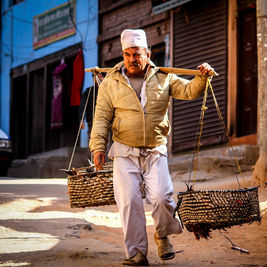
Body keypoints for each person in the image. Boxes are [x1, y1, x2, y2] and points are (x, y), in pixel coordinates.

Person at [89, 29, 214, 266]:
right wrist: (98, 148)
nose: (131, 59)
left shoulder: (164, 77)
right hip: (125, 151)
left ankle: (162, 234)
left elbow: (189, 91)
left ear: (148, 53)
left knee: (162, 198)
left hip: (155, 149)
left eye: (136, 54)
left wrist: (202, 77)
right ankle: (136, 253)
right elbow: (101, 117)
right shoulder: (111, 83)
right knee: (129, 201)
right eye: (127, 54)